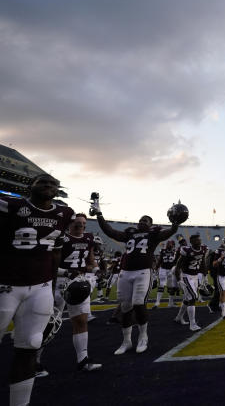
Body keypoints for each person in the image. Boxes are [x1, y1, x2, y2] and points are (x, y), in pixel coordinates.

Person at [0, 174, 75, 406]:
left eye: (53, 183)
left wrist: (51, 288)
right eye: (42, 182)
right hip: (5, 284)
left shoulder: (64, 213)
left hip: (40, 287)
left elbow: (55, 253)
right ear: (29, 186)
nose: (48, 186)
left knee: (31, 344)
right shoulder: (12, 205)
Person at [92, 199, 182, 355]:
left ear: (151, 224)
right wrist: (99, 214)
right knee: (126, 307)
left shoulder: (154, 235)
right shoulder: (130, 233)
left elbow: (170, 232)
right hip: (125, 273)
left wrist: (175, 224)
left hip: (142, 272)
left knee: (139, 303)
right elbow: (110, 231)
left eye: (145, 220)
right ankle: (126, 341)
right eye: (140, 220)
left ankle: (143, 336)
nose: (141, 222)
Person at [50, 213, 102, 371]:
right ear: (69, 224)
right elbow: (50, 264)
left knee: (81, 320)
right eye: (77, 223)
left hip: (78, 281)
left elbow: (90, 259)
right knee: (49, 321)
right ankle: (35, 361)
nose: (81, 225)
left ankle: (83, 360)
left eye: (84, 223)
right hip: (59, 280)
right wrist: (65, 273)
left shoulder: (88, 238)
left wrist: (97, 270)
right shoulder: (61, 238)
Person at [174, 234, 207, 331]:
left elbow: (203, 262)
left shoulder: (203, 249)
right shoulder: (187, 250)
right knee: (193, 297)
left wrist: (204, 276)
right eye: (197, 240)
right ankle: (192, 324)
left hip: (195, 276)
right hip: (186, 276)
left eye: (199, 239)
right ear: (192, 242)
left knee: (187, 299)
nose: (199, 241)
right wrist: (179, 279)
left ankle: (179, 317)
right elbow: (178, 266)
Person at [154, 240, 177, 309]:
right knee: (162, 284)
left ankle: (170, 303)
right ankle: (157, 302)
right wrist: (156, 268)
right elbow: (160, 260)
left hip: (171, 270)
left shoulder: (175, 252)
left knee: (171, 287)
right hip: (163, 269)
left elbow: (176, 262)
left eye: (170, 243)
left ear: (173, 245)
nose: (168, 244)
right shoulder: (162, 251)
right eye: (168, 243)